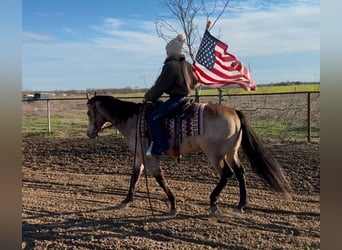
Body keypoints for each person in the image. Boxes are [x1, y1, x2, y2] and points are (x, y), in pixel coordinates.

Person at [143, 34, 197, 159]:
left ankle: (161, 148)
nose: (166, 53)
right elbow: (195, 82)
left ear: (171, 52)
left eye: (167, 51)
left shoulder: (170, 66)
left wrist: (148, 97)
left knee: (153, 117)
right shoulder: (188, 65)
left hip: (176, 99)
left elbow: (160, 86)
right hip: (185, 98)